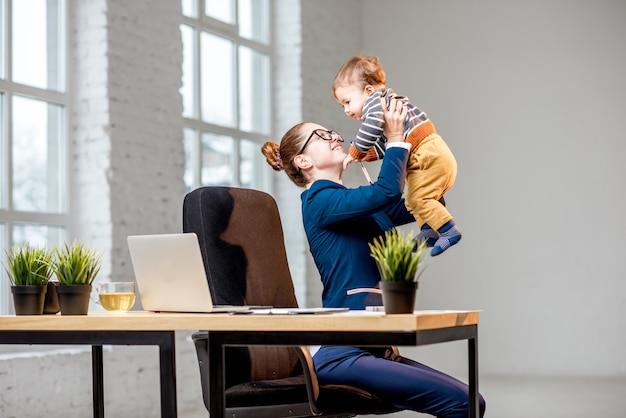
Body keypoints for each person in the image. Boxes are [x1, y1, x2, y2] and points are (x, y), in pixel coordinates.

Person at [260, 99, 486, 417]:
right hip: (342, 354)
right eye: (322, 136)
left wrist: (426, 155)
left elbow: (416, 200)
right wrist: (394, 140)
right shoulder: (318, 201)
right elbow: (386, 193)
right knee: (464, 405)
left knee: (472, 402)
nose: (334, 136)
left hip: (375, 347)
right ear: (303, 161)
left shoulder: (351, 205)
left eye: (332, 132)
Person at [333, 55, 461, 256]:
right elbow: (391, 143)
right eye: (343, 106)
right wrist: (368, 155)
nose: (347, 111)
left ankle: (449, 230)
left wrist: (356, 150)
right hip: (427, 156)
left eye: (348, 102)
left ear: (368, 90)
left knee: (419, 199)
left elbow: (372, 126)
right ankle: (429, 229)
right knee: (411, 200)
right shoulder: (387, 105)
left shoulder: (376, 102)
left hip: (428, 155)